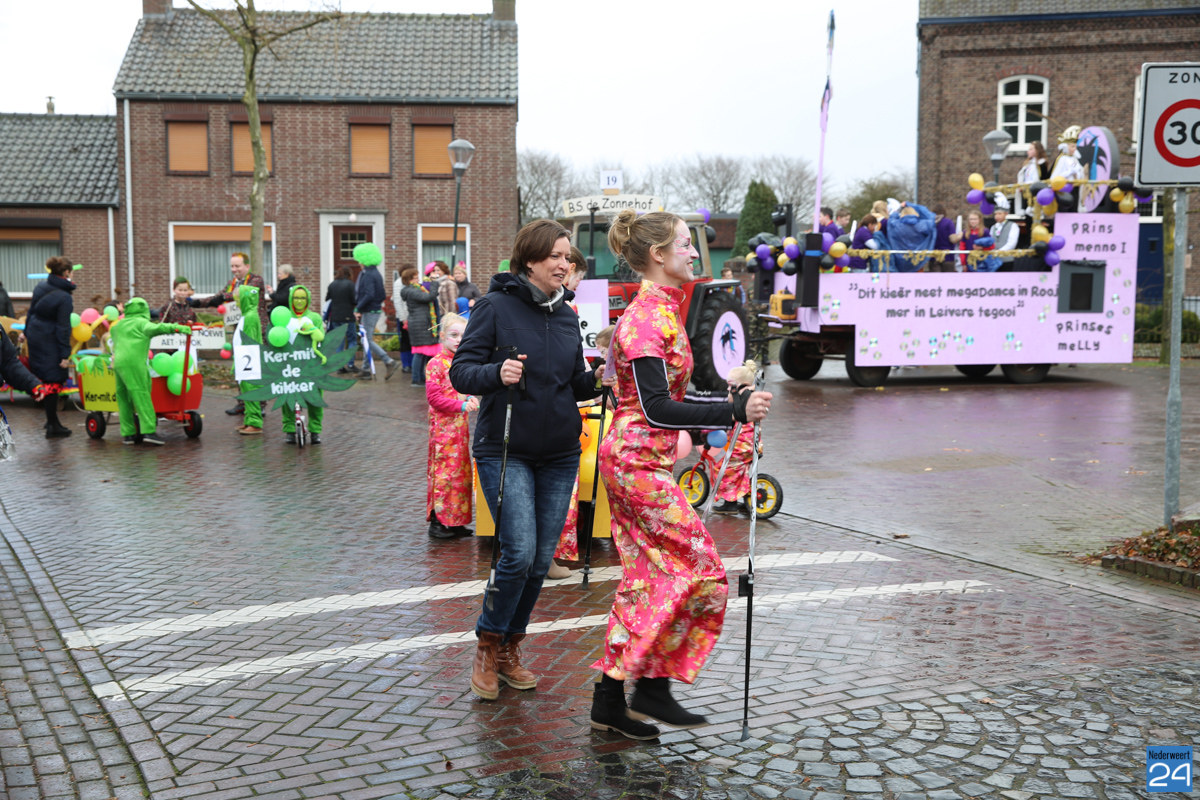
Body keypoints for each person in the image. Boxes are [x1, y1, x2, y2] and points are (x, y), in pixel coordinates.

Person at [590, 209, 772, 740]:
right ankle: (651, 686)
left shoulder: (663, 311)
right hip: (635, 461)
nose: (694, 252)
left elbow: (670, 396)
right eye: (685, 244)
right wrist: (731, 411)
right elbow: (654, 408)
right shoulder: (647, 319)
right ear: (658, 255)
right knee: (702, 570)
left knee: (647, 578)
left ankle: (612, 698)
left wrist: (726, 400)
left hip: (642, 459)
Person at [449, 219, 606, 703]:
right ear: (531, 259)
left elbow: (572, 383)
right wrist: (496, 372)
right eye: (556, 256)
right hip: (505, 449)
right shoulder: (494, 307)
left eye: (568, 257)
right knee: (517, 552)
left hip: (559, 453)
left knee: (540, 559)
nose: (565, 264)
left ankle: (509, 646)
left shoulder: (566, 315)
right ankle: (487, 643)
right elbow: (461, 373)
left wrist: (598, 378)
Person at [194, 252, 266, 417]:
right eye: (232, 266)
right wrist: (197, 302)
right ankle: (242, 403)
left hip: (255, 330)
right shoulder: (232, 283)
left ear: (247, 266)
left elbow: (240, 293)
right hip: (238, 329)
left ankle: (259, 404)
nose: (234, 269)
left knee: (255, 367)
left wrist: (221, 298)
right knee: (240, 367)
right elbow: (219, 296)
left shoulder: (256, 280)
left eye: (237, 266)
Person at [425, 312, 478, 539]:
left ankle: (455, 521)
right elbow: (434, 398)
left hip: (459, 431)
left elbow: (464, 389)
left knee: (460, 474)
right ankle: (438, 522)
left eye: (463, 336)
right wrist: (461, 405)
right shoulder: (435, 364)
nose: (458, 340)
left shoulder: (461, 362)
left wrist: (470, 398)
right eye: (453, 335)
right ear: (442, 336)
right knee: (444, 475)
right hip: (443, 432)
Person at [110, 297, 190, 446]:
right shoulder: (141, 323)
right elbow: (157, 328)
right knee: (141, 395)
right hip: (134, 363)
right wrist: (178, 328)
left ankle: (128, 434)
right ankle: (149, 431)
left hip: (118, 363)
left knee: (123, 398)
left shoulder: (117, 326)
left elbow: (114, 337)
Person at [24, 256, 76, 437]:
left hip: (35, 336)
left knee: (45, 378)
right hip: (50, 340)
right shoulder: (64, 297)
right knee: (53, 379)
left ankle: (51, 421)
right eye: (72, 271)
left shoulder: (41, 286)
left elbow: (31, 311)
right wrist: (64, 355)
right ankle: (53, 426)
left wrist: (25, 332)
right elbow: (63, 328)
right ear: (66, 272)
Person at [713, 360, 762, 514]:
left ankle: (730, 503)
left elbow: (728, 403)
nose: (729, 389)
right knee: (739, 470)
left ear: (743, 385)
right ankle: (744, 497)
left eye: (731, 385)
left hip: (742, 445)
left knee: (722, 469)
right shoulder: (752, 395)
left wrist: (734, 392)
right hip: (752, 444)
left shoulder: (741, 396)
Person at [279, 285, 326, 444]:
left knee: (315, 397)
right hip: (289, 365)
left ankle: (315, 430)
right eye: (296, 298)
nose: (299, 301)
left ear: (308, 299)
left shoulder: (314, 317)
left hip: (310, 365)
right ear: (291, 299)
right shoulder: (284, 317)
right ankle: (290, 429)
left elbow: (321, 339)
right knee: (287, 396)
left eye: (302, 298)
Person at [353, 245, 400, 381]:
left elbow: (369, 294)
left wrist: (358, 308)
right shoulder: (376, 273)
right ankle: (366, 369)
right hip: (374, 309)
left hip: (369, 311)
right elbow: (381, 294)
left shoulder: (368, 275)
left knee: (367, 340)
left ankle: (389, 361)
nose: (358, 262)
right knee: (366, 339)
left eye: (359, 259)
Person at [401, 268, 439, 386]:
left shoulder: (414, 289)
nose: (419, 279)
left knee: (422, 353)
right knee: (419, 352)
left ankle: (421, 377)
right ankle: (416, 379)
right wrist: (434, 282)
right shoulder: (412, 291)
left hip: (420, 323)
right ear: (410, 280)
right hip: (420, 324)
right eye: (416, 277)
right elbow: (430, 297)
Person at [326, 267, 359, 375]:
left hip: (335, 317)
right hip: (347, 316)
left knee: (339, 341)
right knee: (352, 340)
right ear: (349, 274)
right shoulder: (350, 284)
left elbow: (327, 299)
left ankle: (339, 366)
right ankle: (350, 364)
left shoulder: (332, 285)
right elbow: (354, 300)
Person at [989, 195, 1019, 264]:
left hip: (1007, 259)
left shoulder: (1013, 225)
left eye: (999, 214)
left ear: (1006, 214)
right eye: (995, 214)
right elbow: (991, 240)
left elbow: (1012, 243)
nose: (997, 216)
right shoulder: (993, 227)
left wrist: (999, 252)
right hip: (994, 260)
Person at [393, 268, 413, 373]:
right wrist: (403, 319)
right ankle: (406, 364)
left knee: (411, 341)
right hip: (404, 318)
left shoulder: (411, 283)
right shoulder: (398, 283)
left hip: (411, 317)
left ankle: (411, 364)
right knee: (405, 341)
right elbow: (397, 302)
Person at [930, 205, 958, 273]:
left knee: (935, 278)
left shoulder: (930, 223)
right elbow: (953, 239)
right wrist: (960, 236)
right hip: (947, 256)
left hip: (934, 256)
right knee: (948, 278)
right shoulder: (948, 222)